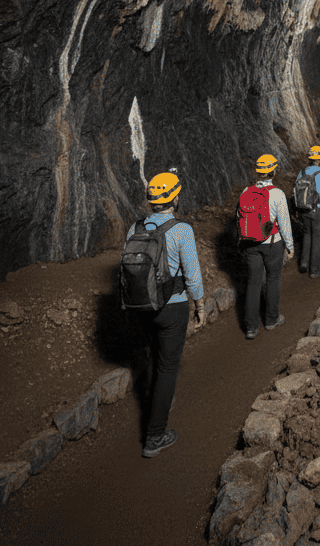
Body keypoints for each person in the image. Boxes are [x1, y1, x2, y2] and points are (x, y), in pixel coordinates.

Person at [126, 171, 205, 458]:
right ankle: (155, 436)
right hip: (173, 306)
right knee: (168, 367)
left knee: (151, 355)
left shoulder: (134, 228)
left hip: (143, 306)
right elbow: (192, 275)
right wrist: (200, 304)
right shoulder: (181, 229)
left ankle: (158, 399)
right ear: (174, 198)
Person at [241, 154, 293, 340]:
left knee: (253, 283)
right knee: (273, 279)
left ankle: (250, 328)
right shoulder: (277, 194)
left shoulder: (246, 191)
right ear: (274, 171)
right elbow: (285, 223)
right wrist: (290, 245)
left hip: (250, 244)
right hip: (272, 243)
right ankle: (271, 319)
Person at [296, 145, 320, 277]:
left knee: (307, 235)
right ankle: (315, 270)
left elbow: (294, 192)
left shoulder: (301, 172)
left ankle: (304, 262)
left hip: (304, 209)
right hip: (319, 210)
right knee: (317, 239)